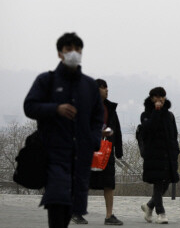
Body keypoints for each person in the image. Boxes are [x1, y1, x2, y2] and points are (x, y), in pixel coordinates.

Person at [23, 32, 104, 228]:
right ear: (60, 53)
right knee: (57, 202)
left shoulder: (89, 85)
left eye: (77, 49)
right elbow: (30, 106)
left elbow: (97, 117)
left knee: (72, 206)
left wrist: (93, 141)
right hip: (54, 155)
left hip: (81, 157)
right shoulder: (46, 81)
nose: (73, 53)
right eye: (69, 49)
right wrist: (55, 109)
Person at [140, 86, 180, 224]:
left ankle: (149, 205)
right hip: (154, 155)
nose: (160, 99)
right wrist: (156, 112)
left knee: (167, 183)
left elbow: (174, 135)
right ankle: (161, 213)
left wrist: (176, 152)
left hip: (168, 155)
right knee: (158, 183)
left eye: (162, 96)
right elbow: (148, 129)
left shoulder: (170, 116)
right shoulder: (145, 115)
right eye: (157, 97)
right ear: (152, 99)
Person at [88, 78, 124, 225]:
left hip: (107, 150)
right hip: (89, 149)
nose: (106, 90)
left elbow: (118, 130)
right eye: (103, 87)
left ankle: (109, 215)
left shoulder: (110, 109)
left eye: (107, 87)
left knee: (109, 183)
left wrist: (119, 150)